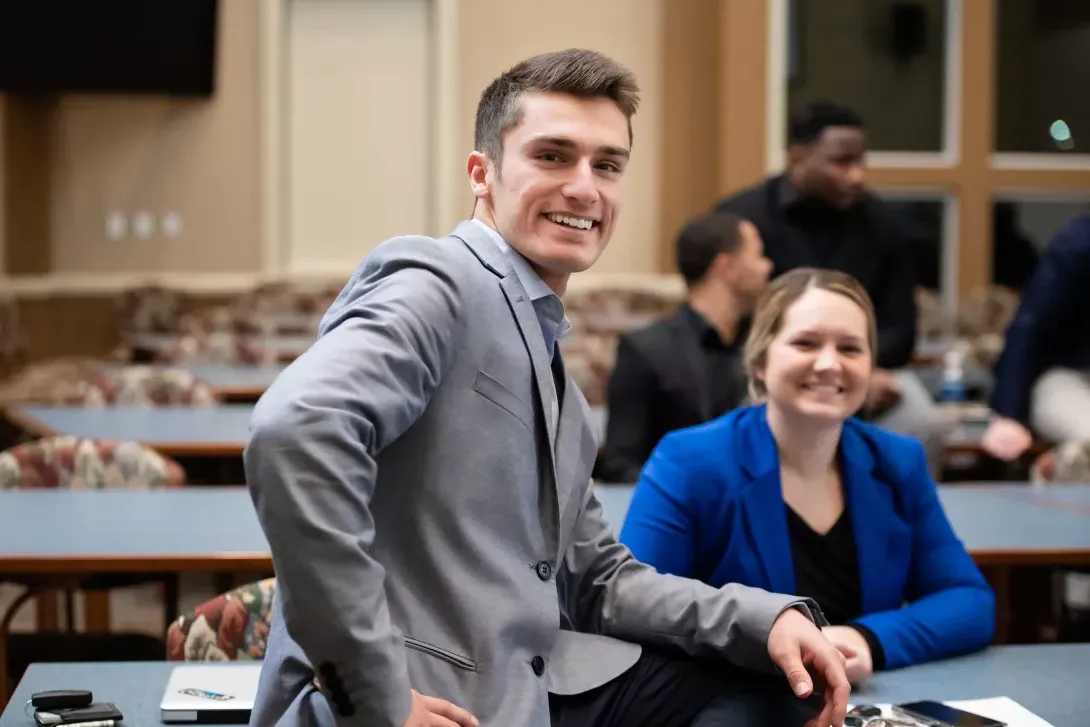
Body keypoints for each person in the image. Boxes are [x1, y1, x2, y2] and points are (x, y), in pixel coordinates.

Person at [245, 49, 850, 727]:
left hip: (523, 682)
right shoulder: (438, 277)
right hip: (423, 697)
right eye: (554, 156)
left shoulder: (544, 339)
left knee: (774, 687)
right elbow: (294, 433)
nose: (585, 187)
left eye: (607, 165)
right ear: (482, 174)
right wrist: (374, 695)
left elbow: (596, 578)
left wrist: (762, 619)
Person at [619, 268, 995, 685]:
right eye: (806, 343)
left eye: (851, 349)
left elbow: (969, 601)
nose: (830, 363)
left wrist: (867, 639)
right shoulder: (690, 460)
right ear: (759, 360)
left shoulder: (897, 460)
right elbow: (636, 606)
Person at [713, 101, 948, 476]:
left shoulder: (884, 224)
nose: (856, 176)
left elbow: (901, 329)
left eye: (861, 161)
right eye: (841, 162)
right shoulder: (742, 219)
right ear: (798, 157)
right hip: (765, 367)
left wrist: (854, 368)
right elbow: (726, 321)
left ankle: (897, 529)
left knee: (922, 424)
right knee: (737, 421)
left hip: (871, 367)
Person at [595, 211, 772, 483]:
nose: (767, 266)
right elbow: (621, 463)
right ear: (728, 267)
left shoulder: (765, 348)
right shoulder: (646, 349)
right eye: (758, 255)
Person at [982, 212, 1090, 462]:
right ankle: (1062, 471)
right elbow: (1030, 326)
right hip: (1069, 378)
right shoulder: (1080, 240)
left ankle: (1059, 466)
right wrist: (1008, 414)